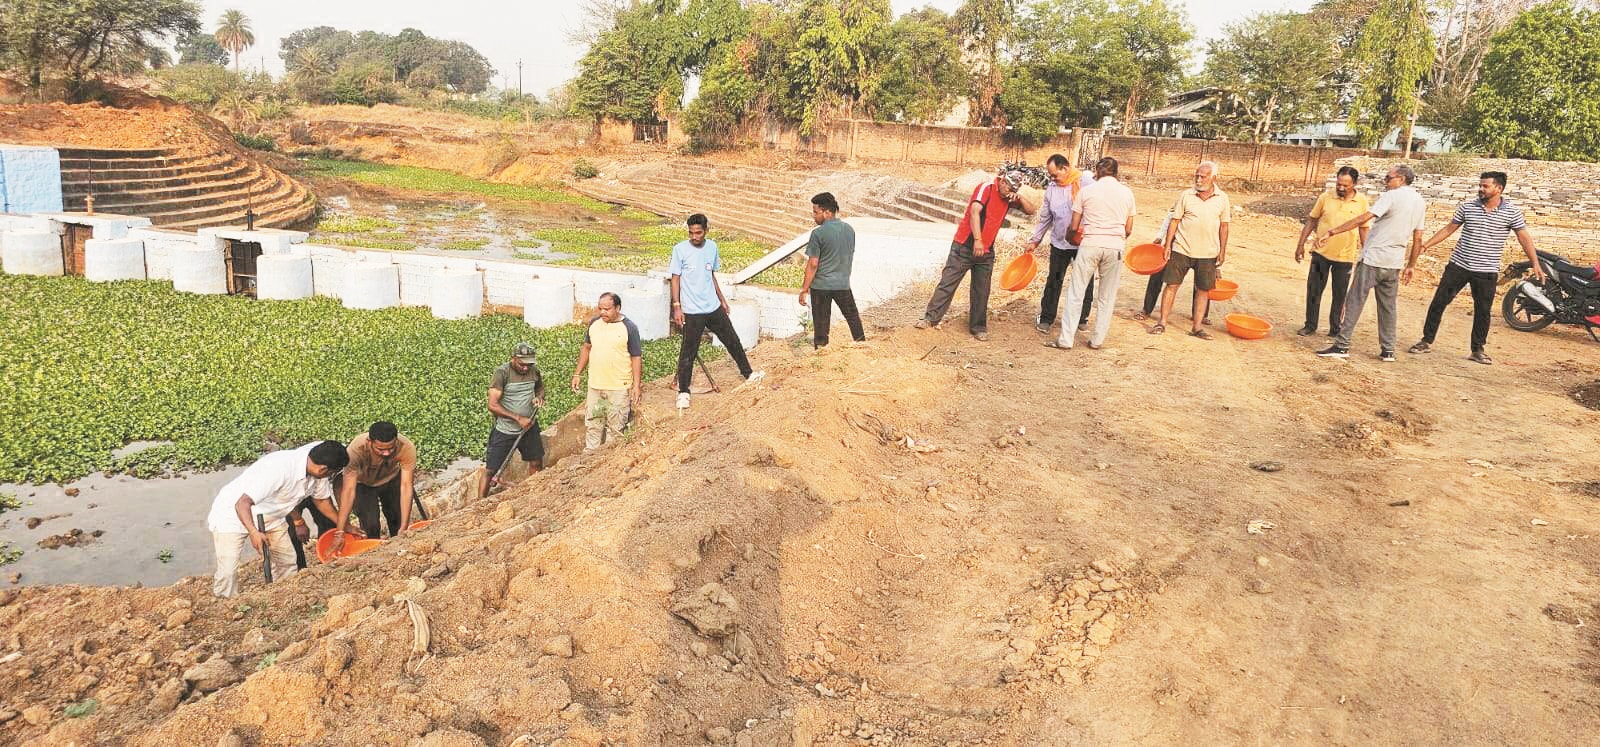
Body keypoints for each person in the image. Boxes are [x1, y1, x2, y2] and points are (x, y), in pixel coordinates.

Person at [1408, 171, 1545, 364]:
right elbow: (1449, 228)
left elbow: (1524, 237)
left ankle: (1477, 350)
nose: (1481, 189)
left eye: (1485, 186)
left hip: (1486, 270)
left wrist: (1535, 263)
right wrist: (1426, 245)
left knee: (1483, 310)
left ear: (1499, 188)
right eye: (1480, 185)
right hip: (1459, 265)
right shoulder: (1468, 207)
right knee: (1439, 303)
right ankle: (1426, 341)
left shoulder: (1511, 212)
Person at [206, 440, 348, 597]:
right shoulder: (279, 469)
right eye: (331, 474)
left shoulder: (316, 472)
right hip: (232, 516)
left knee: (286, 561)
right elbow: (242, 503)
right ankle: (225, 602)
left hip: (273, 516)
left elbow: (321, 501)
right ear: (323, 469)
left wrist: (345, 526)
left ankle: (283, 596)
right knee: (228, 567)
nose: (330, 477)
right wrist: (254, 532)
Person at [1315, 164, 1427, 362]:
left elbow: (1365, 218)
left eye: (1388, 177)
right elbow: (1418, 237)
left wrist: (1332, 231)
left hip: (1374, 258)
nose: (1385, 181)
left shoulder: (1392, 195)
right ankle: (1388, 350)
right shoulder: (1419, 201)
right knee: (1388, 307)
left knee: (1354, 301)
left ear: (1400, 179)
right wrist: (1411, 265)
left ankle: (1342, 346)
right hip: (1394, 262)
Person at [916, 171, 1024, 341]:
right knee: (948, 282)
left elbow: (1031, 210)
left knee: (982, 289)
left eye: (1014, 189)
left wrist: (1018, 198)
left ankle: (978, 327)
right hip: (965, 246)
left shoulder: (1009, 197)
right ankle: (930, 319)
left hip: (986, 251)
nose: (1008, 191)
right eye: (1009, 187)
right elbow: (974, 212)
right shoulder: (986, 188)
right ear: (1002, 181)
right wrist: (978, 240)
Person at [671, 213, 763, 410]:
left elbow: (710, 275)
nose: (694, 237)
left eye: (698, 233)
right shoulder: (679, 250)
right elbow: (676, 278)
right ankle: (684, 392)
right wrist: (677, 306)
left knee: (732, 340)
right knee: (689, 351)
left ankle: (748, 374)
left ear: (706, 231)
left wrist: (721, 299)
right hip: (692, 310)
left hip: (712, 307)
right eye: (691, 233)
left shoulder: (712, 247)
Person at [1047, 157, 1135, 351]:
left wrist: (1071, 239)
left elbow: (1075, 226)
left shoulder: (1086, 191)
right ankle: (1096, 341)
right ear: (1116, 172)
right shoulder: (1127, 193)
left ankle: (1066, 340)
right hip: (1114, 247)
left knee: (1076, 292)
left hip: (1090, 244)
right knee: (1106, 296)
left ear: (1097, 171)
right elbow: (1128, 229)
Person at [1152, 161, 1231, 339]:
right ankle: (1162, 322)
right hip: (1182, 249)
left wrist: (1223, 250)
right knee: (1171, 285)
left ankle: (1197, 327)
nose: (1198, 179)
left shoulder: (1223, 198)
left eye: (1203, 176)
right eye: (1197, 175)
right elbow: (1175, 221)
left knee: (1203, 290)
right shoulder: (1186, 195)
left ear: (1214, 178)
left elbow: (1224, 227)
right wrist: (1167, 245)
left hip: (1208, 253)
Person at [1296, 166, 1370, 337]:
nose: (1341, 188)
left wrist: (1365, 254)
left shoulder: (1362, 202)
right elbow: (1311, 221)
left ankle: (1335, 328)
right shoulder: (1326, 197)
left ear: (1355, 184)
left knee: (1340, 295)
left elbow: (1364, 229)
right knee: (1314, 291)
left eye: (1346, 185)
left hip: (1345, 257)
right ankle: (1310, 325)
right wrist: (1300, 245)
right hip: (1320, 253)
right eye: (1339, 184)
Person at [1026, 154, 1096, 333]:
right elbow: (1045, 217)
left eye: (1054, 174)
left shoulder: (1086, 182)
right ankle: (1047, 318)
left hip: (1083, 243)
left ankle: (1082, 317)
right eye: (1050, 175)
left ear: (1064, 168)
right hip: (1060, 243)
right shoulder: (1052, 188)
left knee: (1084, 281)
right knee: (1054, 280)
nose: (1052, 178)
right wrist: (1035, 240)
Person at [330, 421, 418, 553]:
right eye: (381, 449)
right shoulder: (355, 450)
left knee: (397, 518)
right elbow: (348, 491)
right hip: (363, 484)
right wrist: (340, 531)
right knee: (370, 523)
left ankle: (398, 548)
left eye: (391, 448)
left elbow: (406, 486)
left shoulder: (406, 446)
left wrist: (404, 526)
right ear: (369, 441)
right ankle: (374, 551)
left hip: (391, 478)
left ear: (396, 441)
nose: (387, 453)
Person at [572, 292, 642, 450]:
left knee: (615, 430)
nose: (602, 312)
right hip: (595, 387)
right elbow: (587, 348)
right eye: (600, 309)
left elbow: (636, 357)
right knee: (593, 425)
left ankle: (606, 467)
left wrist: (636, 386)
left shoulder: (629, 328)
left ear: (617, 308)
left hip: (618, 389)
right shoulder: (594, 323)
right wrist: (577, 373)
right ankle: (589, 459)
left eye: (607, 309)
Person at [798, 192, 866, 348]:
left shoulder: (818, 233)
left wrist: (804, 289)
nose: (814, 216)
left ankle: (821, 353)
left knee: (821, 324)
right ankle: (862, 346)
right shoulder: (849, 230)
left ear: (827, 212)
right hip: (843, 284)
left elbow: (813, 263)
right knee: (853, 318)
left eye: (816, 212)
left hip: (821, 286)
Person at [479, 342, 545, 498]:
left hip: (529, 427)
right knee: (491, 470)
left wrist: (539, 398)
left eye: (529, 364)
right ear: (513, 359)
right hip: (505, 430)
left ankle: (534, 494)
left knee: (536, 462)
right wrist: (518, 418)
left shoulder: (534, 371)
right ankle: (479, 503)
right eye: (522, 364)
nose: (525, 368)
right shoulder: (502, 373)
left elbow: (540, 388)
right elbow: (492, 405)